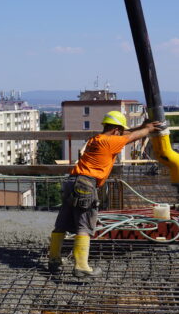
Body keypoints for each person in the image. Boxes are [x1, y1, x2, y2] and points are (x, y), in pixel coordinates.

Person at [48, 111, 161, 278]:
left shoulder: (97, 139)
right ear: (116, 130)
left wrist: (141, 127)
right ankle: (81, 267)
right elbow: (132, 137)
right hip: (86, 185)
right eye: (120, 131)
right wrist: (149, 129)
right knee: (84, 225)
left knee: (62, 223)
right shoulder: (111, 142)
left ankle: (54, 260)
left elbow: (126, 133)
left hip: (71, 181)